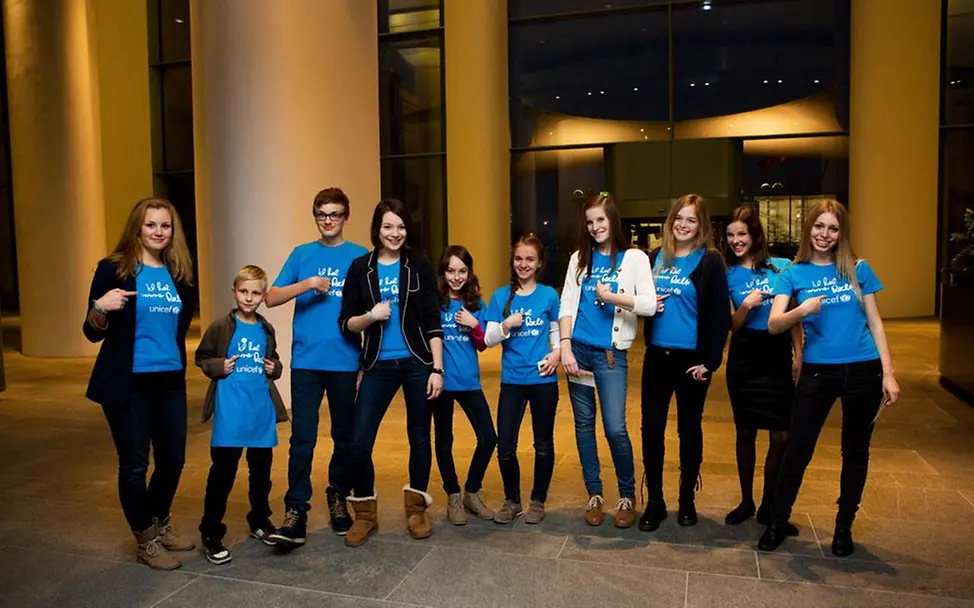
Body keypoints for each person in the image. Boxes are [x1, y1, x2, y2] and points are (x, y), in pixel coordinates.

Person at [758, 200, 900, 557]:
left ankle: (843, 528)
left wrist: (889, 373)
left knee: (855, 452)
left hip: (864, 369)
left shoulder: (857, 268)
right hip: (818, 371)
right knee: (797, 450)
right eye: (819, 227)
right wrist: (802, 310)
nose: (824, 235)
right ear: (808, 229)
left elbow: (876, 322)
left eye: (833, 229)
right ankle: (777, 522)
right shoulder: (792, 273)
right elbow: (774, 324)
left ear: (842, 234)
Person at [83, 197, 196, 570]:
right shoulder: (114, 270)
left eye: (165, 225)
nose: (159, 232)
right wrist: (101, 308)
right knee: (134, 464)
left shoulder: (179, 274)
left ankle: (159, 522)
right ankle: (146, 541)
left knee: (173, 459)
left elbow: (178, 331)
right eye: (151, 225)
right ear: (137, 228)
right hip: (128, 381)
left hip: (169, 380)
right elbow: (91, 332)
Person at [265, 188, 368, 547]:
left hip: (345, 361)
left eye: (335, 214)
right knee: (302, 439)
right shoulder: (302, 254)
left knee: (344, 437)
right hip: (307, 362)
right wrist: (307, 284)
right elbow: (271, 296)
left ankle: (338, 495)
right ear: (315, 217)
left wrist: (363, 367)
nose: (328, 220)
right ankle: (296, 509)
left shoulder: (360, 257)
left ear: (345, 217)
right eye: (322, 214)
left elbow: (371, 315)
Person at [339, 199, 444, 547]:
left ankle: (417, 510)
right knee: (358, 441)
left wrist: (437, 368)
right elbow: (347, 322)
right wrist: (371, 316)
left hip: (417, 363)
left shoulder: (419, 264)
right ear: (377, 229)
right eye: (388, 226)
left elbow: (433, 319)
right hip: (377, 365)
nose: (395, 233)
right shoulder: (360, 268)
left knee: (419, 437)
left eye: (400, 227)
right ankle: (365, 514)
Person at [558, 193, 657, 528]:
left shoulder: (634, 258)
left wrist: (610, 296)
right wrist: (566, 347)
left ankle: (626, 496)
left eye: (600, 220)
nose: (595, 227)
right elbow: (567, 306)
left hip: (610, 355)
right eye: (589, 222)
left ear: (613, 220)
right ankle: (595, 495)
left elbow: (648, 304)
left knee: (615, 427)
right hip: (579, 351)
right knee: (584, 426)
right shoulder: (578, 259)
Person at [639, 194, 730, 532]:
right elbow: (638, 301)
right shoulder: (654, 258)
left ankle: (686, 500)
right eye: (679, 217)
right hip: (657, 357)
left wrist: (711, 361)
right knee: (652, 430)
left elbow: (720, 316)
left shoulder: (710, 261)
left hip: (692, 362)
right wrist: (648, 306)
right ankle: (655, 502)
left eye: (691, 219)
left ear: (701, 226)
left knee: (689, 431)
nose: (683, 224)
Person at [195, 265, 289, 564]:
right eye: (243, 291)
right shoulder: (221, 327)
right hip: (230, 413)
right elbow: (202, 357)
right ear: (234, 292)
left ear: (263, 296)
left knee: (261, 475)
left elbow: (273, 362)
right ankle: (211, 532)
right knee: (222, 474)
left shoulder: (266, 329)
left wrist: (276, 368)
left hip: (259, 412)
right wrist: (218, 366)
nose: (249, 298)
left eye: (255, 293)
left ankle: (259, 520)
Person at [723, 207, 801, 526]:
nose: (736, 241)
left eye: (742, 234)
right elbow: (732, 325)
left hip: (778, 354)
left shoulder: (781, 268)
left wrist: (800, 354)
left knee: (781, 436)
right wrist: (746, 305)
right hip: (745, 356)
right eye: (730, 235)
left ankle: (770, 504)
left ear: (755, 235)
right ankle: (747, 502)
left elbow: (794, 316)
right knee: (746, 432)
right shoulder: (726, 273)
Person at [484, 234, 562, 526]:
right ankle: (512, 500)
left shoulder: (548, 296)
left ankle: (538, 500)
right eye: (519, 259)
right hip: (512, 381)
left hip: (543, 380)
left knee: (543, 444)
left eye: (530, 259)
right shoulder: (501, 296)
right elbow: (489, 340)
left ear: (539, 262)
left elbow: (556, 331)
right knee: (505, 444)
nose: (523, 264)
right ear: (512, 261)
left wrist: (556, 353)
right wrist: (506, 325)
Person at [431, 245, 498, 524]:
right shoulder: (434, 302)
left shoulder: (475, 303)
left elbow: (483, 345)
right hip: (442, 384)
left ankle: (472, 491)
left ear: (469, 272)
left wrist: (474, 325)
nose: (456, 277)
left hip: (469, 381)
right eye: (451, 271)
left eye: (462, 271)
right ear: (443, 272)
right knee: (444, 442)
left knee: (488, 438)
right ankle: (453, 496)